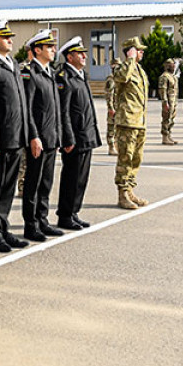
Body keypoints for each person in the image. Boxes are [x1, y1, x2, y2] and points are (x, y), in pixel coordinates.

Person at [0, 20, 31, 252]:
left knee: (9, 188)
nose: (10, 40)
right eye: (5, 37)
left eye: (10, 37)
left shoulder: (13, 63)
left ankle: (4, 228)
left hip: (16, 137)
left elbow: (22, 103)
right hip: (1, 138)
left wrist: (27, 134)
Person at [20, 29, 63, 242]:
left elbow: (55, 108)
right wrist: (33, 136)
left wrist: (58, 136)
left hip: (50, 137)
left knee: (46, 182)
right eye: (49, 47)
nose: (54, 50)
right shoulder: (31, 74)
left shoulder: (50, 72)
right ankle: (31, 224)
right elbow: (27, 109)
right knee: (33, 183)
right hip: (38, 138)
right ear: (37, 50)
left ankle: (43, 220)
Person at [56, 37, 100, 230]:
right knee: (71, 178)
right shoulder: (64, 77)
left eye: (84, 53)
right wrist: (67, 137)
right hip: (74, 137)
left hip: (86, 134)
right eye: (79, 53)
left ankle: (74, 212)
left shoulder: (81, 75)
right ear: (69, 56)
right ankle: (65, 215)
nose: (84, 56)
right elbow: (63, 111)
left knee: (81, 178)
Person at [113, 37, 149, 210]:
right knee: (125, 159)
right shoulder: (123, 68)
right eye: (138, 50)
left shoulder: (140, 70)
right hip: (127, 121)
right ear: (130, 51)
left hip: (139, 121)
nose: (142, 52)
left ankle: (130, 190)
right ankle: (122, 195)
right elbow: (121, 77)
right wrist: (129, 59)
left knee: (136, 159)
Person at [159, 59, 178, 145]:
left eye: (174, 65)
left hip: (173, 101)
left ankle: (169, 135)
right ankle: (165, 137)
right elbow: (163, 89)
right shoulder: (164, 76)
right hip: (168, 101)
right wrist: (164, 102)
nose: (173, 67)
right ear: (167, 66)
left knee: (171, 119)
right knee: (166, 119)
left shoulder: (172, 76)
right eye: (171, 66)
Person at [104, 58, 119, 154]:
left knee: (118, 127)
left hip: (119, 107)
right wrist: (110, 108)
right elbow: (109, 95)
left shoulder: (118, 78)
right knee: (111, 127)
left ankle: (116, 145)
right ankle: (111, 146)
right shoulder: (111, 79)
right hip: (113, 107)